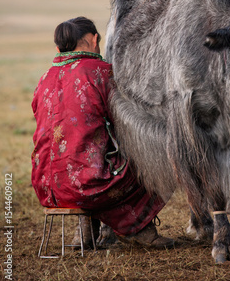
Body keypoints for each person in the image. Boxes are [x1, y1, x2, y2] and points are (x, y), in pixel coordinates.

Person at [31, 16, 174, 249]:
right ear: (94, 39)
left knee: (85, 156)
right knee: (161, 159)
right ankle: (139, 228)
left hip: (47, 186)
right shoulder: (102, 72)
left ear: (59, 47)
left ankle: (85, 232)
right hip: (89, 186)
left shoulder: (45, 78)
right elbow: (127, 120)